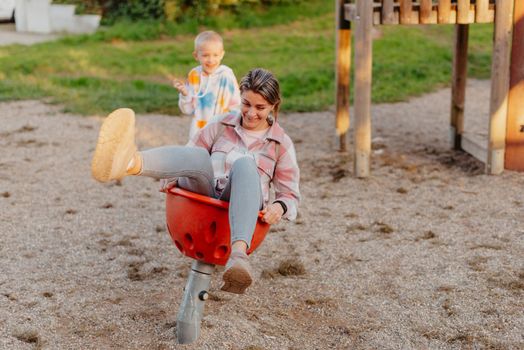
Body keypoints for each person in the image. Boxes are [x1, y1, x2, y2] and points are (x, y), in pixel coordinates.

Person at [91, 68, 300, 294]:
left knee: (245, 164)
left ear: (274, 106)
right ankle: (129, 162)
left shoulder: (280, 144)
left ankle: (238, 259)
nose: (250, 113)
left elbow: (290, 194)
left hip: (240, 215)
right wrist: (173, 173)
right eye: (246, 104)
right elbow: (188, 155)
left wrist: (279, 207)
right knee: (199, 155)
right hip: (204, 196)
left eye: (260, 108)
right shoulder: (221, 124)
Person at [173, 30, 241, 139]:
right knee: (197, 155)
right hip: (200, 132)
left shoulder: (226, 76)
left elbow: (236, 105)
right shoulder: (194, 76)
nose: (211, 60)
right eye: (205, 55)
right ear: (196, 55)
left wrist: (233, 128)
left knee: (219, 155)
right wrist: (185, 95)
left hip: (223, 131)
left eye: (215, 55)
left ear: (222, 54)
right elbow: (187, 110)